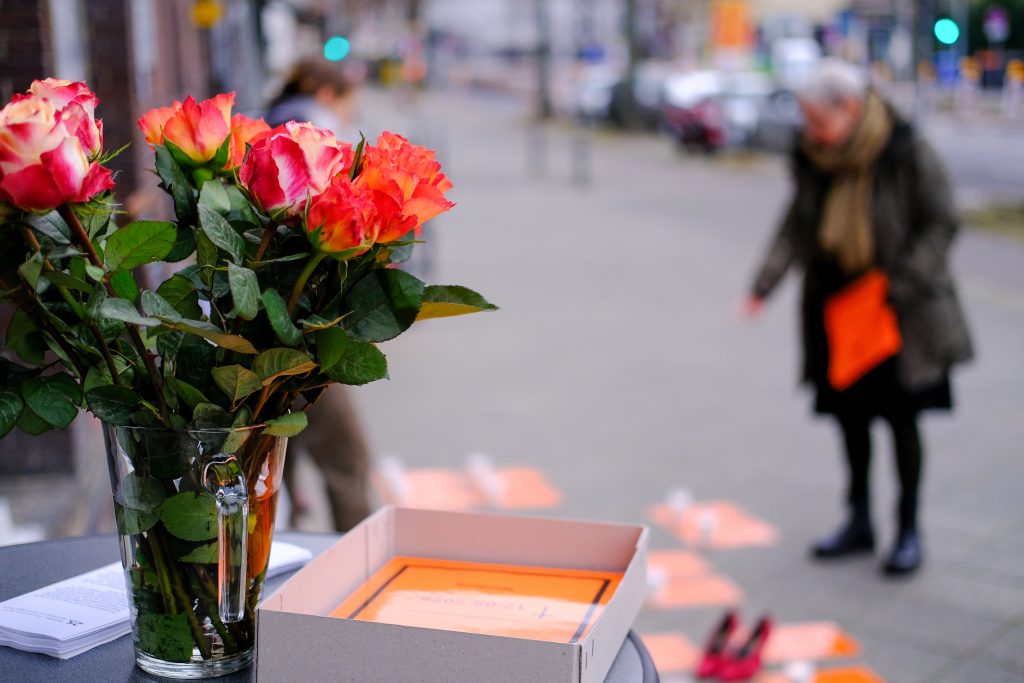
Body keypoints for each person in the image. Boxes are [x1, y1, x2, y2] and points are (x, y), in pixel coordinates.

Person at [746, 59, 974, 576]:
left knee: (901, 419)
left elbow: (942, 221)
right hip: (836, 307)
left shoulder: (905, 150)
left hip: (896, 310)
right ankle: (859, 521)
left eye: (819, 121)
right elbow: (795, 226)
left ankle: (908, 529)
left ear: (850, 108)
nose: (811, 131)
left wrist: (901, 283)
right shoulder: (813, 157)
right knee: (850, 420)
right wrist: (763, 285)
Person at [265, 59, 372, 532]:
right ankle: (357, 553)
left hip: (264, 325)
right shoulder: (317, 135)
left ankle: (281, 544)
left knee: (273, 455)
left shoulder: (269, 128)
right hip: (304, 329)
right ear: (328, 95)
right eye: (349, 106)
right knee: (346, 458)